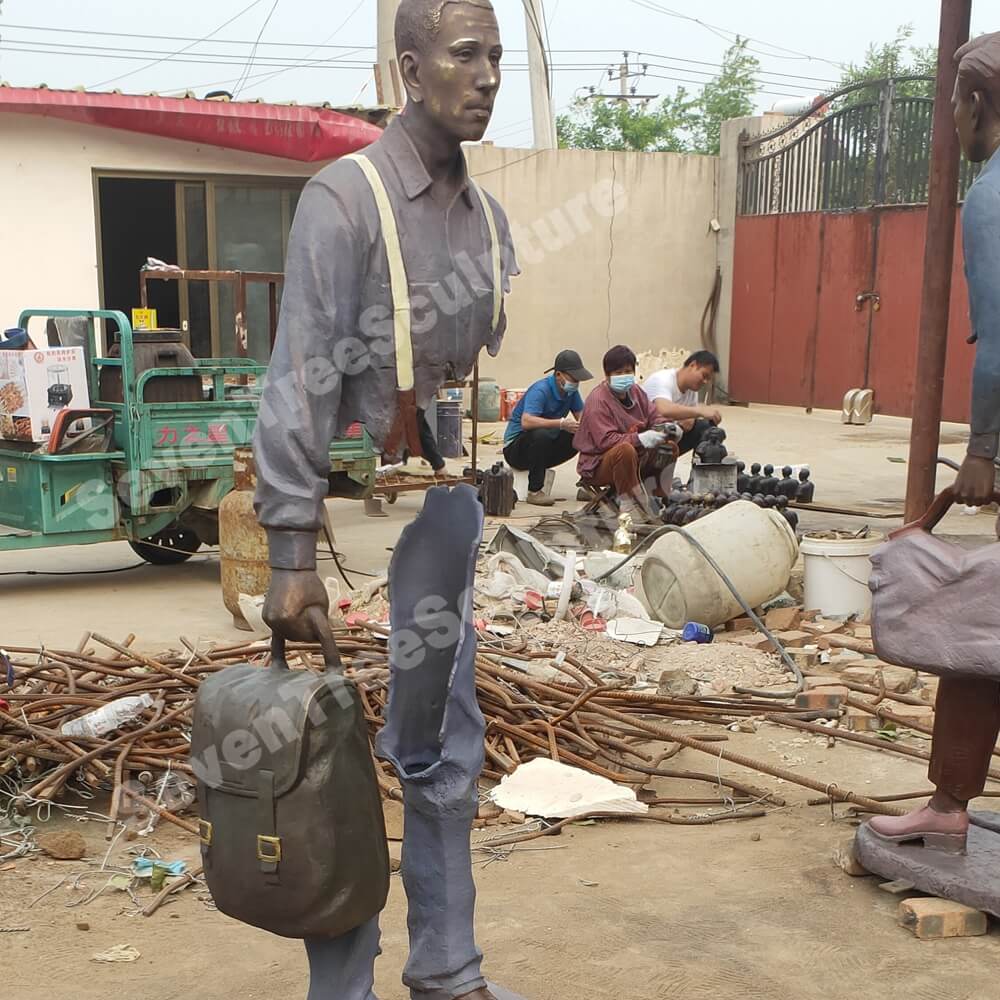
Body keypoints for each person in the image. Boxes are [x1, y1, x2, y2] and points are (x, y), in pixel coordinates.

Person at [252, 2, 524, 999]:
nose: (487, 74)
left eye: (495, 55)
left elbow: (457, 380)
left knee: (442, 738)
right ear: (411, 69)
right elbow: (299, 376)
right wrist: (289, 550)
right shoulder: (347, 198)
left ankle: (446, 965)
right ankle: (343, 988)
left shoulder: (484, 218)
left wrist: (476, 481)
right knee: (328, 758)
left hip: (436, 514)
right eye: (465, 54)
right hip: (347, 522)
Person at [867, 31, 1000, 856]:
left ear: (980, 102)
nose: (950, 118)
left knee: (975, 627)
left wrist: (984, 448)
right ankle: (949, 803)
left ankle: (950, 804)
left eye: (954, 100)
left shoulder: (989, 197)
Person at [574, 344, 674, 521]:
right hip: (598, 464)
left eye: (627, 371)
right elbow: (605, 441)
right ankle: (629, 505)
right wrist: (640, 438)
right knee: (625, 449)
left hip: (635, 457)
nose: (623, 377)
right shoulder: (598, 401)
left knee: (668, 447)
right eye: (618, 373)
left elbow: (654, 415)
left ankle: (658, 497)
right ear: (607, 375)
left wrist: (665, 428)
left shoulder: (636, 392)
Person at [502, 349, 592, 506]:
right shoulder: (541, 390)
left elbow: (583, 419)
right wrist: (561, 423)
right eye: (573, 378)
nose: (576, 383)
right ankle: (534, 491)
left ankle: (587, 483)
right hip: (516, 449)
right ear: (558, 375)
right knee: (541, 434)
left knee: (582, 433)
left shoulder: (572, 393)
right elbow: (527, 422)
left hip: (543, 448)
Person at [642, 350, 722, 456]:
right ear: (693, 365)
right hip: (644, 438)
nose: (705, 382)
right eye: (704, 375)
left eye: (708, 379)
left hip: (670, 436)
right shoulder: (661, 379)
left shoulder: (691, 391)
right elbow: (663, 409)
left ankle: (702, 468)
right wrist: (699, 411)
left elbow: (688, 423)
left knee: (706, 430)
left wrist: (691, 420)